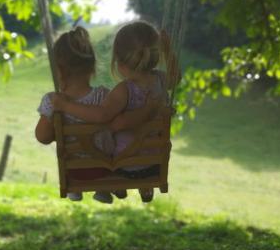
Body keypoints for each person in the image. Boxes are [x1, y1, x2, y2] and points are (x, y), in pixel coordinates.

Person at [51, 20, 180, 203]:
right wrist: (168, 50)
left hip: (125, 166)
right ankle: (145, 187)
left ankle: (118, 186)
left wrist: (66, 106)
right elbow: (177, 77)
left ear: (119, 63)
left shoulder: (123, 91)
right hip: (154, 165)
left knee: (108, 142)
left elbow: (103, 116)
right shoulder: (160, 81)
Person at [35, 26, 155, 204]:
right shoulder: (105, 97)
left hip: (74, 171)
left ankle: (76, 191)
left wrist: (57, 131)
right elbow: (121, 128)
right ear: (92, 68)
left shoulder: (53, 101)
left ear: (58, 71)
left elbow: (43, 137)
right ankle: (103, 189)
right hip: (104, 169)